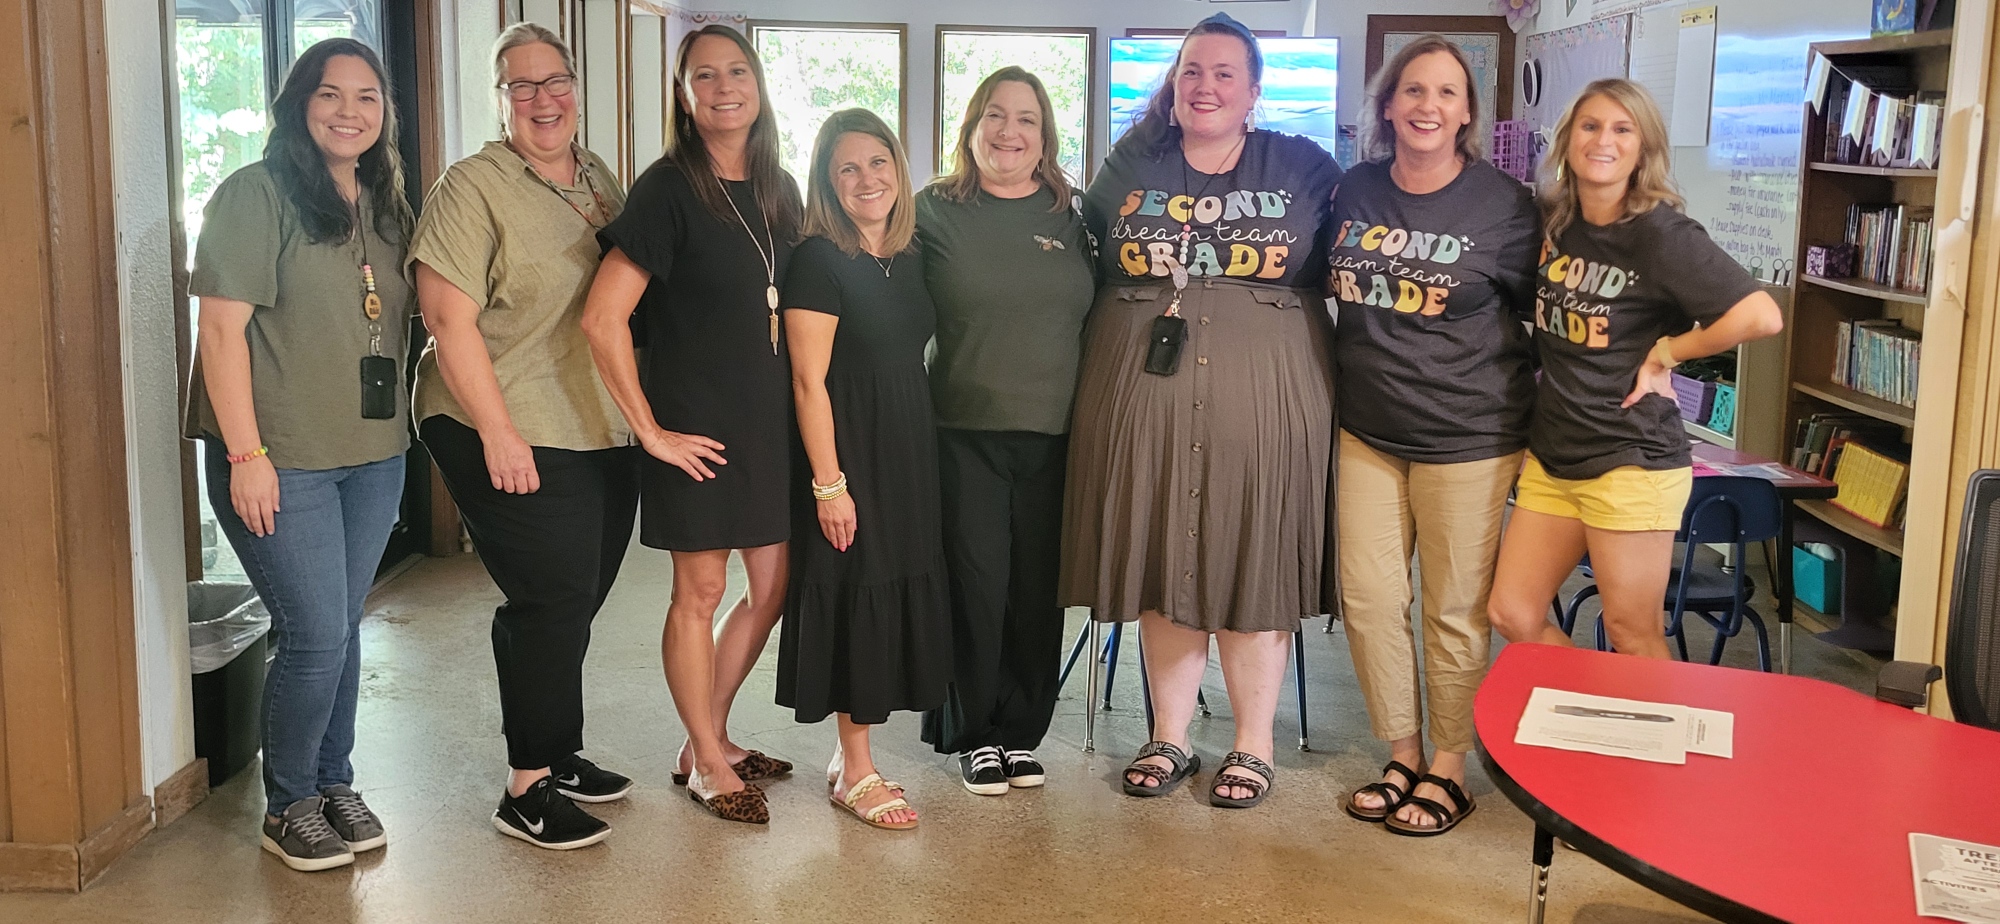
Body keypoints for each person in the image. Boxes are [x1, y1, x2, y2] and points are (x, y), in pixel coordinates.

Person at [1063, 12, 1342, 811]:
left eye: (1224, 73)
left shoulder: (1302, 166)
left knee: (1253, 549)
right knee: (1163, 555)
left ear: (1253, 91)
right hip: (1145, 396)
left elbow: (1351, 262)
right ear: (1173, 83)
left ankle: (1254, 743)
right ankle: (1171, 734)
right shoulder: (1130, 164)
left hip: (1267, 399)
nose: (1206, 85)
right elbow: (1081, 254)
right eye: (1192, 70)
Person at [185, 38, 414, 872]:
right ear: (297, 103)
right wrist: (246, 454)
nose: (348, 112)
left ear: (385, 112)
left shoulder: (384, 201)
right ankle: (290, 805)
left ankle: (333, 782)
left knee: (342, 632)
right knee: (314, 634)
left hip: (374, 453)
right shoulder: (256, 192)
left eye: (366, 97)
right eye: (329, 94)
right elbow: (220, 330)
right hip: (281, 459)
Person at [410, 22, 637, 851]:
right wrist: (501, 436)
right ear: (499, 98)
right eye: (522, 86)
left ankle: (560, 751)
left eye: (556, 82)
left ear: (576, 86)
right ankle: (527, 786)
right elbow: (445, 318)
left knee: (581, 595)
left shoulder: (596, 177)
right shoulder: (471, 186)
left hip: (590, 417)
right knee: (550, 597)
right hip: (492, 415)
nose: (544, 99)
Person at [581, 24, 802, 824]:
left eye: (736, 71)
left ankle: (705, 737)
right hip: (697, 431)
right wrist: (649, 431)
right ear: (683, 94)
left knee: (772, 587)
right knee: (701, 591)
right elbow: (603, 318)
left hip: (768, 426)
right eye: (702, 75)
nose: (722, 87)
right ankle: (709, 759)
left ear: (758, 81)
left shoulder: (780, 185)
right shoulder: (669, 187)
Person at [1488, 80, 1782, 658]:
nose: (1604, 140)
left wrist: (1669, 352)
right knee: (1513, 610)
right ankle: (1598, 718)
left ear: (1643, 148)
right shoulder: (1556, 221)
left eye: (1623, 129)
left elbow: (1761, 315)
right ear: (1569, 137)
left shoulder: (1661, 233)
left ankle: (1653, 742)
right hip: (1554, 454)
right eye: (1590, 125)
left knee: (1630, 629)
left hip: (1631, 457)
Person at [1331, 35, 1540, 838]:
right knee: (1372, 599)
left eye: (1447, 93)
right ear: (1389, 105)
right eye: (1414, 90)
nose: (1428, 106)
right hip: (1368, 430)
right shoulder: (1353, 191)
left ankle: (1449, 771)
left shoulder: (1503, 205)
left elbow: (1543, 310)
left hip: (1471, 435)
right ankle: (1401, 753)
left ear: (1467, 113)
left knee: (1454, 611)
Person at [915, 67, 1094, 796]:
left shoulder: (1074, 216)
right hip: (963, 432)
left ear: (1045, 136)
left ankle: (1021, 733)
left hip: (1057, 437)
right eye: (994, 114)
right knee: (976, 587)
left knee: (1034, 592)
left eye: (1025, 119)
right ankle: (972, 732)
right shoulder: (932, 210)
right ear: (971, 126)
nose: (1008, 131)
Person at [779, 108, 953, 831]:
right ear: (827, 180)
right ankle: (856, 768)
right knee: (858, 592)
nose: (866, 179)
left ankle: (853, 757)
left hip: (908, 441)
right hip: (849, 447)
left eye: (877, 162)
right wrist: (830, 483)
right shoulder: (819, 258)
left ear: (898, 168)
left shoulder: (910, 254)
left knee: (890, 585)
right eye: (846, 167)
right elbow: (806, 381)